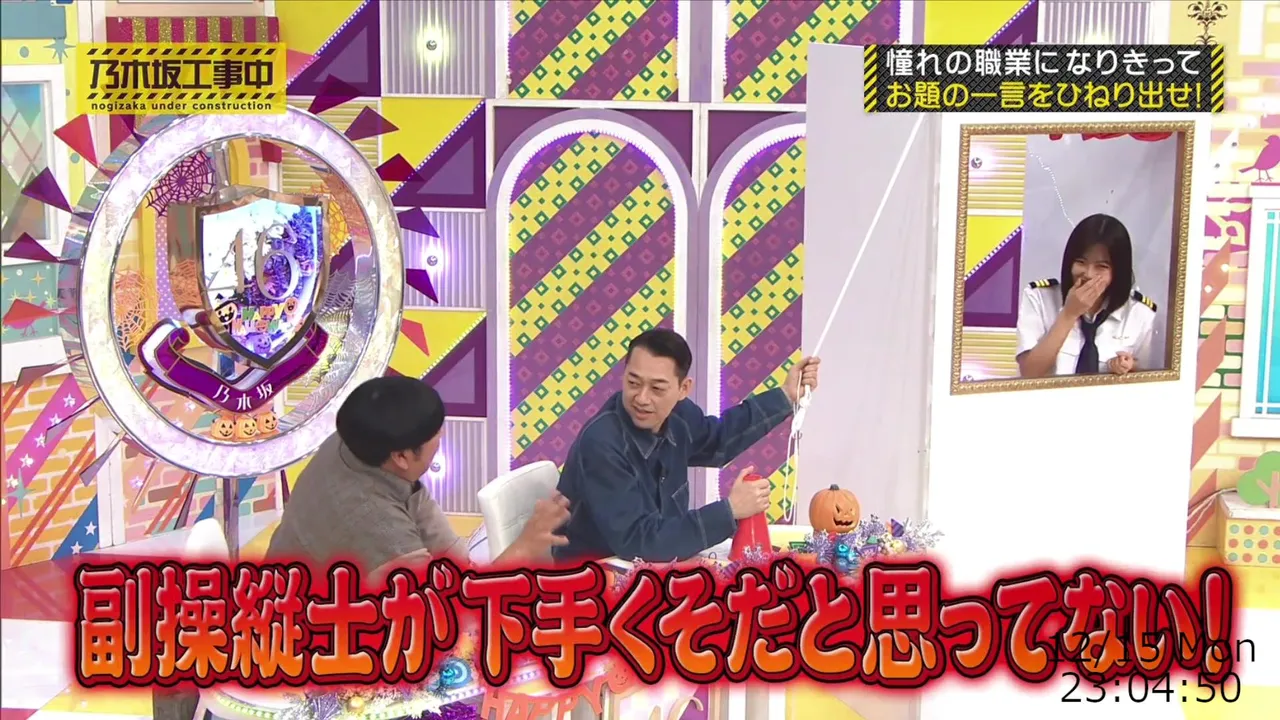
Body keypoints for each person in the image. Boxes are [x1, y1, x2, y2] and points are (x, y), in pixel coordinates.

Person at [552, 328, 820, 563]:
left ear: (683, 389)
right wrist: (729, 511)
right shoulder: (602, 443)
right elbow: (638, 541)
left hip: (655, 567)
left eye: (657, 388)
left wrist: (786, 396)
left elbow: (718, 440)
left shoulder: (678, 415)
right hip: (592, 577)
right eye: (633, 383)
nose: (642, 398)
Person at [266, 375, 570, 577]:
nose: (442, 437)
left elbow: (442, 542)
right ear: (401, 456)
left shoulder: (354, 441)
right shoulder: (378, 526)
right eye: (435, 435)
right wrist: (524, 547)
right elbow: (448, 608)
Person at [1016, 213, 1158, 378]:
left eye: (1101, 266)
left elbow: (1149, 377)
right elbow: (1029, 373)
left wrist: (1128, 367)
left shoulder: (1140, 314)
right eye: (1081, 262)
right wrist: (1069, 314)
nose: (1088, 274)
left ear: (1118, 271)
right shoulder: (1039, 298)